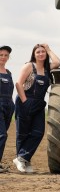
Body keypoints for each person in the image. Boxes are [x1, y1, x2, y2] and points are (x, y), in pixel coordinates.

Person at [13, 44, 60, 173]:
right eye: (38, 52)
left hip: (39, 104)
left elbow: (57, 62)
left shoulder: (47, 68)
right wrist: (25, 101)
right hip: (26, 101)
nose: (41, 54)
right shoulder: (29, 66)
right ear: (34, 54)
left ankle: (22, 157)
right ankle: (24, 161)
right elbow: (19, 84)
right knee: (23, 133)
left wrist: (49, 49)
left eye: (43, 52)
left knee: (38, 132)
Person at [0, 45, 15, 173]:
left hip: (9, 105)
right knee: (2, 135)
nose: (3, 57)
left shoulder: (8, 72)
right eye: (1, 55)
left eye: (6, 55)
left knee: (3, 134)